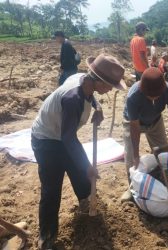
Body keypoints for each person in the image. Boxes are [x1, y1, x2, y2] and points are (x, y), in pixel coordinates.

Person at [31, 54, 126, 249]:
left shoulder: (85, 81)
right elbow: (68, 139)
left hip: (63, 136)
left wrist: (97, 106)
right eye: (109, 85)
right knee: (52, 189)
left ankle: (88, 214)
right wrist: (87, 165)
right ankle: (46, 237)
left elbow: (87, 98)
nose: (110, 90)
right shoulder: (73, 98)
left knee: (82, 177)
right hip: (46, 140)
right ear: (99, 81)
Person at [120, 67, 168, 202]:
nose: (153, 98)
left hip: (155, 121)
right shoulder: (133, 96)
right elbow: (134, 126)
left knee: (163, 153)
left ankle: (162, 181)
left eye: (157, 96)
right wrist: (136, 154)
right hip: (133, 122)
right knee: (131, 158)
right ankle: (132, 187)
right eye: (150, 96)